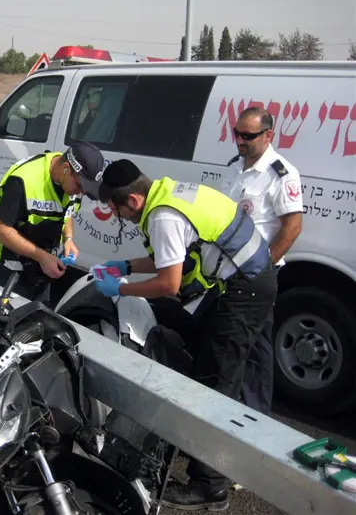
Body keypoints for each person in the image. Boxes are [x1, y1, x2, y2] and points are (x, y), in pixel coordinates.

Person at [95, 159, 277, 512]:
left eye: (117, 211)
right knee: (218, 363)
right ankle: (221, 449)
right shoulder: (170, 192)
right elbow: (170, 258)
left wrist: (121, 287)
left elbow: (169, 283)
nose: (119, 218)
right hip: (250, 277)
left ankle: (211, 486)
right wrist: (129, 266)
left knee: (216, 382)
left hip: (244, 289)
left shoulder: (162, 216)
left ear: (132, 201)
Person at [223, 107, 303, 416]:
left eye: (247, 135)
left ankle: (256, 418)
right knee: (229, 345)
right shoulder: (235, 167)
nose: (239, 141)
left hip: (254, 279)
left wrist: (263, 269)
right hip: (227, 273)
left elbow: (292, 227)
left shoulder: (280, 173)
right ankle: (228, 411)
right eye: (237, 133)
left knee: (255, 350)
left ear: (268, 135)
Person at [0, 142, 105, 304]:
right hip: (10, 265)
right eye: (81, 186)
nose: (81, 192)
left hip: (42, 266)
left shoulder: (70, 185)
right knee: (7, 322)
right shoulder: (24, 180)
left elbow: (67, 215)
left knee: (38, 321)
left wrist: (68, 239)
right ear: (66, 169)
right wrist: (41, 256)